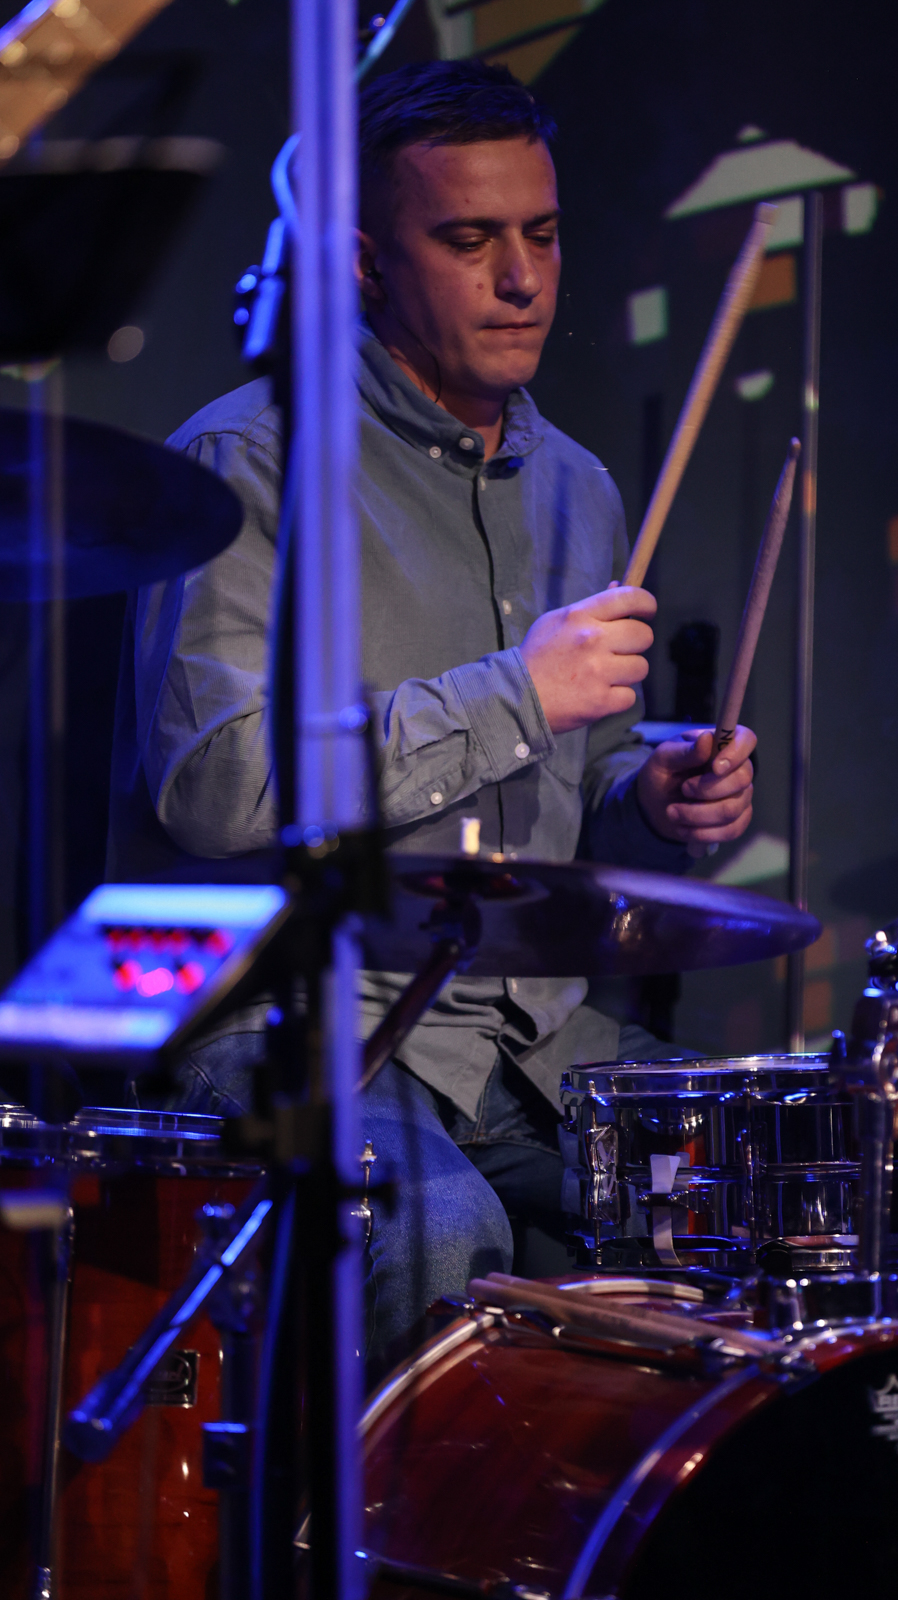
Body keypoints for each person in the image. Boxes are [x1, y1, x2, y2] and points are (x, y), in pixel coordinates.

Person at [107, 59, 757, 1373]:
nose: (522, 279)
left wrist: (648, 792)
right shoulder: (249, 462)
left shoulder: (578, 488)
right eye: (469, 241)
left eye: (542, 234)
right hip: (299, 1025)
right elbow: (215, 785)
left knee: (751, 1207)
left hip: (528, 1039)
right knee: (435, 1228)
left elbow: (568, 776)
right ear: (366, 262)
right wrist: (519, 689)